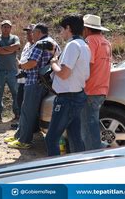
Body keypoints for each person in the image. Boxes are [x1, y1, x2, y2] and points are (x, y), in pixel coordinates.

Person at [6, 23, 60, 149]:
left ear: (39, 32)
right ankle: (19, 136)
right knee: (27, 110)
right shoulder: (52, 42)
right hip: (44, 83)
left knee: (27, 111)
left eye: (33, 32)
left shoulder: (40, 44)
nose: (31, 35)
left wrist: (20, 66)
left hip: (34, 82)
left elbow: (32, 63)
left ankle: (24, 140)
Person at [45, 15, 91, 156]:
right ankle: (80, 167)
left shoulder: (72, 45)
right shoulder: (84, 45)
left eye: (61, 29)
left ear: (68, 28)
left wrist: (53, 63)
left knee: (51, 138)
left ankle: (56, 171)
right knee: (75, 137)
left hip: (67, 99)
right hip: (77, 95)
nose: (61, 33)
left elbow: (64, 74)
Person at [81, 14, 112, 151]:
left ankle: (95, 156)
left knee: (88, 127)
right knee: (93, 123)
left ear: (86, 29)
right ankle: (100, 148)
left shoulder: (90, 40)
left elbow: (87, 63)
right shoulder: (106, 42)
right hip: (102, 88)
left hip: (90, 89)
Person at [0, 20, 20, 121]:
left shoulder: (15, 37)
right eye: (4, 26)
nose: (6, 28)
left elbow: (17, 46)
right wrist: (10, 50)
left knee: (15, 92)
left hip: (12, 71)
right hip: (0, 71)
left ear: (11, 28)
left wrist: (3, 49)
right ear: (1, 27)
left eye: (8, 27)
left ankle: (17, 113)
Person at [11, 24, 35, 129]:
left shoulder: (37, 46)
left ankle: (27, 126)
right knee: (20, 101)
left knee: (27, 104)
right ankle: (21, 123)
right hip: (22, 79)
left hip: (30, 79)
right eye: (27, 33)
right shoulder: (27, 45)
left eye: (30, 32)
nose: (28, 35)